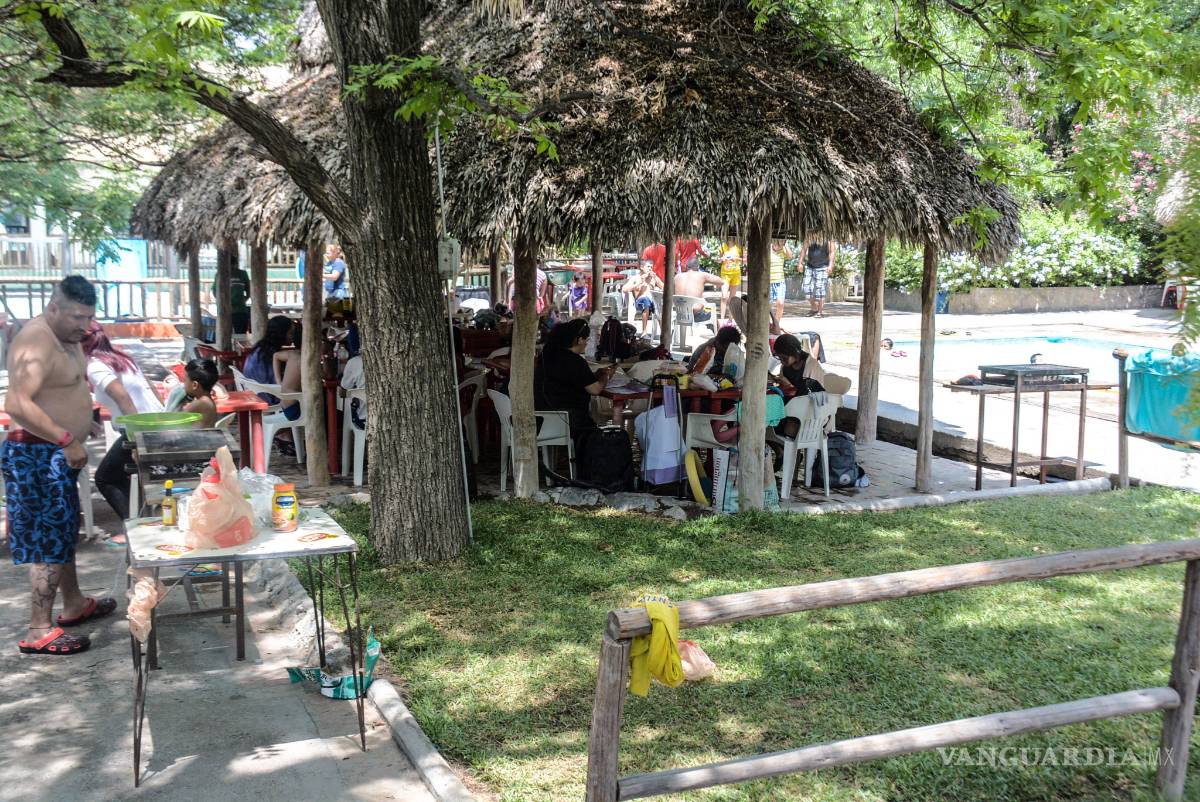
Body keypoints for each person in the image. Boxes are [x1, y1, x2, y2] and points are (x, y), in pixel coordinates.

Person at [4, 276, 115, 656]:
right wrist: (66, 438)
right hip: (36, 455)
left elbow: (61, 389)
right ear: (53, 308)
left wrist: (86, 419)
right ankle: (38, 629)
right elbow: (17, 404)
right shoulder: (35, 340)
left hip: (56, 451)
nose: (84, 326)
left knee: (63, 530)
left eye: (89, 317)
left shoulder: (65, 338)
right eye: (76, 317)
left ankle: (73, 603)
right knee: (46, 539)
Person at [82, 321, 165, 538]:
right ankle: (141, 522)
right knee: (123, 476)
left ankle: (138, 530)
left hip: (141, 429)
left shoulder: (95, 365)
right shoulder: (121, 357)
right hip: (155, 423)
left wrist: (137, 438)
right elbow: (151, 387)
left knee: (105, 478)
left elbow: (122, 397)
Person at [534, 317, 615, 443]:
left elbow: (571, 378)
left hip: (540, 417)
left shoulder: (547, 355)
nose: (586, 343)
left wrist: (596, 374)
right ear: (579, 340)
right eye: (586, 339)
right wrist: (606, 375)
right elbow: (595, 389)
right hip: (566, 421)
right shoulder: (575, 361)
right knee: (597, 436)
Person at [167, 357, 221, 428]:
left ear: (194, 385)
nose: (183, 384)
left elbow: (173, 423)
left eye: (185, 380)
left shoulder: (201, 403)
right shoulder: (207, 400)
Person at [272, 323, 304, 422]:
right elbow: (327, 375)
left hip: (285, 405)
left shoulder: (292, 354)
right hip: (295, 409)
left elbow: (276, 356)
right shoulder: (306, 359)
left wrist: (279, 381)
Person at [211, 259, 251, 334]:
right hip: (238, 310)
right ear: (236, 264)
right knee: (240, 334)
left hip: (226, 310)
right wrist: (243, 300)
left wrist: (221, 302)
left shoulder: (219, 274)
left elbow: (214, 291)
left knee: (225, 333)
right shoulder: (242, 274)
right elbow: (249, 291)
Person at [802, 240, 837, 318]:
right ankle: (814, 308)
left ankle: (820, 312)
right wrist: (800, 262)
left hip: (823, 267)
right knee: (806, 288)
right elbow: (804, 249)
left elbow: (832, 251)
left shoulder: (828, 238)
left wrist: (831, 265)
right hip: (810, 266)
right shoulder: (810, 237)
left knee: (820, 290)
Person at [718, 242, 742, 322]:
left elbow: (745, 260)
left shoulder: (738, 246)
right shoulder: (723, 246)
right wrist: (721, 259)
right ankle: (722, 320)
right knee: (724, 296)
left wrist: (736, 258)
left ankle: (730, 319)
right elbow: (718, 260)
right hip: (725, 274)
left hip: (735, 274)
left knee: (732, 298)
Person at [769, 241, 791, 325]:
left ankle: (776, 324)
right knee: (768, 305)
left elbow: (790, 256)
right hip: (769, 281)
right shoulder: (769, 248)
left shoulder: (783, 250)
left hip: (780, 281)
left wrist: (785, 245)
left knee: (780, 303)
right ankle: (767, 324)